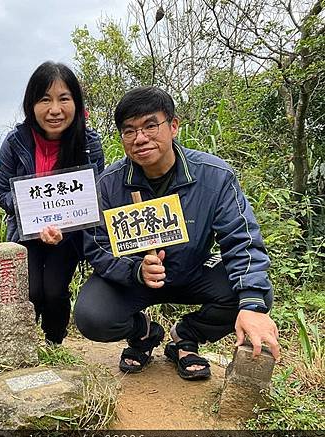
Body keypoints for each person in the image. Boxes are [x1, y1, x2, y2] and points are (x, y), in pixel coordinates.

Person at [74, 86, 279, 380]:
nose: (140, 138)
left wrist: (252, 306)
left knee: (254, 297)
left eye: (150, 125)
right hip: (134, 277)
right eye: (129, 131)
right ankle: (143, 333)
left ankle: (186, 335)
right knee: (91, 317)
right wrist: (135, 271)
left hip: (192, 270)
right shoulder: (108, 184)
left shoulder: (214, 175)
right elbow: (96, 244)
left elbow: (241, 239)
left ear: (173, 126)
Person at [0, 61, 104, 345]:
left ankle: (54, 342)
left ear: (76, 104)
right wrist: (32, 215)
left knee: (54, 291)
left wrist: (64, 226)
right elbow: (0, 191)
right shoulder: (16, 141)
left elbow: (94, 194)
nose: (55, 109)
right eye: (45, 100)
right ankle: (26, 343)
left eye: (63, 99)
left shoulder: (88, 142)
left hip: (68, 236)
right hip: (26, 234)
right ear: (31, 105)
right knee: (30, 292)